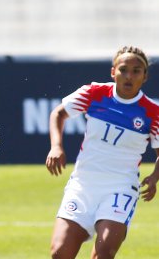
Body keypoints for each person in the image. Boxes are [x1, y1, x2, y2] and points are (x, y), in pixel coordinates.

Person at [45, 46, 159, 259]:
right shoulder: (94, 92)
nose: (129, 76)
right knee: (60, 253)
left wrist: (154, 177)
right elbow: (58, 113)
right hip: (83, 184)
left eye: (136, 71)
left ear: (145, 77)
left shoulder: (152, 112)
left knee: (104, 253)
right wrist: (56, 146)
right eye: (123, 69)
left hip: (120, 188)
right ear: (113, 71)